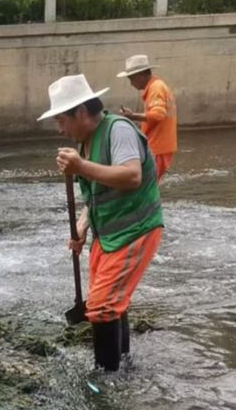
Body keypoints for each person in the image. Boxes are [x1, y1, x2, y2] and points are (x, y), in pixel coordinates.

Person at [37, 74, 163, 371]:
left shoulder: (118, 131)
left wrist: (81, 166)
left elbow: (131, 176)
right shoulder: (86, 142)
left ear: (81, 112)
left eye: (62, 121)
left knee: (103, 307)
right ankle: (122, 362)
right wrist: (82, 225)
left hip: (136, 229)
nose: (60, 129)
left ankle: (106, 378)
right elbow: (95, 194)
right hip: (108, 234)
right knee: (108, 300)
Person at [117, 54, 177, 181]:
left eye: (131, 79)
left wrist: (132, 116)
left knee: (147, 184)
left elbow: (158, 115)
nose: (131, 83)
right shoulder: (156, 87)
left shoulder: (156, 88)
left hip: (158, 147)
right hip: (159, 146)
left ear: (142, 75)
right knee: (149, 184)